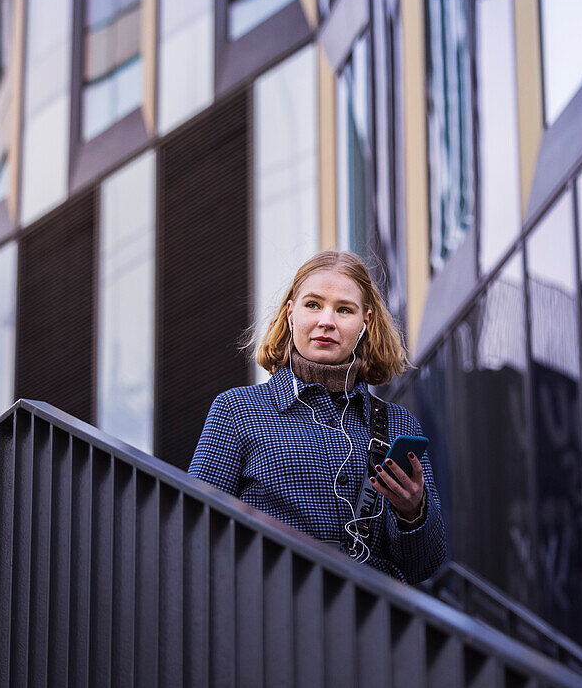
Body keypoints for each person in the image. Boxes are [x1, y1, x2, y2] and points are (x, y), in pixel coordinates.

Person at [188, 250, 446, 584]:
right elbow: (193, 528)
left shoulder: (398, 425)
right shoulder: (238, 410)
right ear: (291, 313)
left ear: (365, 323)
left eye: (344, 309)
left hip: (371, 623)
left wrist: (413, 513)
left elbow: (426, 566)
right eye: (313, 305)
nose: (327, 320)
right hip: (268, 612)